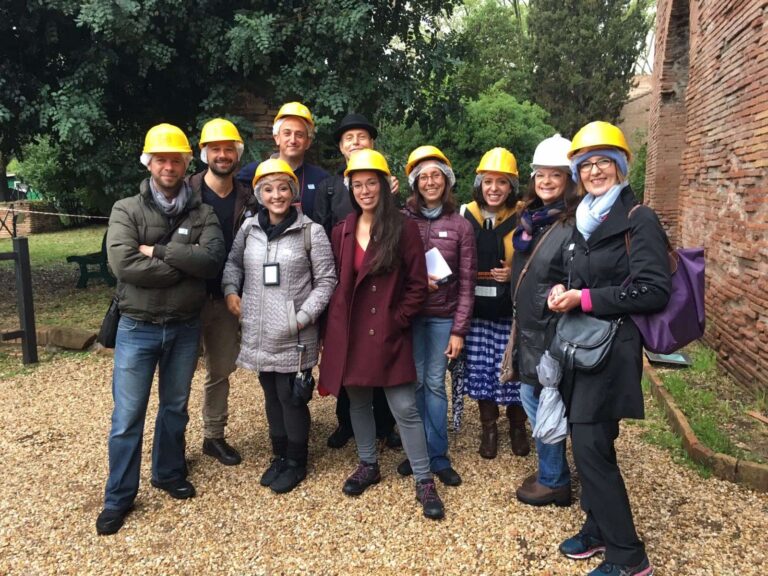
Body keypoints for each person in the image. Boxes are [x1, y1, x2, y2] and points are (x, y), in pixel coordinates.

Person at [549, 121, 669, 576]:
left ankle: (628, 556)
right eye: (586, 164)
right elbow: (584, 276)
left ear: (620, 167)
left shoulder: (639, 219)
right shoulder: (585, 218)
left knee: (591, 446)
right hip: (582, 348)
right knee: (594, 445)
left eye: (604, 162)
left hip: (613, 350)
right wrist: (565, 289)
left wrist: (584, 299)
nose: (595, 170)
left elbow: (652, 290)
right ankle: (598, 529)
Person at [96, 124, 225, 535]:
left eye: (176, 159)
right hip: (138, 327)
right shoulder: (125, 209)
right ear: (148, 163)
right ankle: (119, 497)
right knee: (127, 417)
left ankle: (168, 473)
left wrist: (162, 252)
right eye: (161, 159)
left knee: (174, 408)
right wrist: (180, 269)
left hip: (185, 329)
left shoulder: (202, 212)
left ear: (188, 162)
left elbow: (211, 263)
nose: (169, 166)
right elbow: (123, 265)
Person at [319, 149, 445, 520]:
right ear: (350, 189)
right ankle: (367, 464)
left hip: (388, 331)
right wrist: (332, 332)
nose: (364, 190)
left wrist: (397, 319)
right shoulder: (341, 230)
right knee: (358, 402)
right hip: (352, 332)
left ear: (383, 185)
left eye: (370, 183)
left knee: (405, 407)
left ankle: (424, 479)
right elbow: (337, 283)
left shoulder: (403, 228)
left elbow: (418, 286)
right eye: (357, 185)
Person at [222, 159, 336, 494]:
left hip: (294, 330)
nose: (276, 195)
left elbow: (327, 280)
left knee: (291, 397)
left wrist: (304, 316)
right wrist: (231, 291)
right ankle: (280, 455)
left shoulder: (310, 231)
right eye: (269, 189)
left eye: (283, 188)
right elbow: (232, 263)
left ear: (293, 192)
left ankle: (297, 461)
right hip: (259, 327)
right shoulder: (249, 229)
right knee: (270, 392)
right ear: (259, 193)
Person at [314, 112, 400, 450]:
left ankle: (384, 424)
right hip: (343, 282)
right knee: (347, 359)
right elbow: (320, 232)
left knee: (380, 357)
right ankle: (345, 422)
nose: (355, 143)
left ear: (372, 143)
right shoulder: (329, 186)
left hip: (379, 284)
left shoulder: (386, 183)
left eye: (361, 137)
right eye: (348, 139)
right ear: (340, 147)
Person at [399, 145, 476, 486]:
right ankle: (416, 452)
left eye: (436, 176)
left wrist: (459, 330)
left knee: (434, 384)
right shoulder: (403, 220)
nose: (430, 182)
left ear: (447, 181)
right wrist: (413, 285)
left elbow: (468, 281)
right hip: (411, 315)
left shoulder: (460, 225)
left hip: (443, 317)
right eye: (424, 177)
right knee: (413, 383)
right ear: (416, 183)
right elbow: (391, 270)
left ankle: (438, 455)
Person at [509, 134, 577, 507]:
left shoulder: (571, 223)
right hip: (531, 328)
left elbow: (574, 276)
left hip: (550, 331)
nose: (546, 181)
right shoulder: (533, 221)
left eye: (555, 175)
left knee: (541, 400)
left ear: (569, 179)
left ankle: (554, 480)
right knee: (533, 395)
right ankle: (552, 469)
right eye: (540, 175)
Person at [190, 118, 260, 466]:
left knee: (220, 371)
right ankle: (171, 444)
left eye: (228, 149)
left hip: (226, 299)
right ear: (204, 153)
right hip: (185, 299)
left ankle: (213, 436)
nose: (222, 154)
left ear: (237, 153)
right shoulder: (185, 191)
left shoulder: (249, 197)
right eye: (215, 148)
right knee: (178, 374)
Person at [460, 148, 530, 459]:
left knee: (513, 365)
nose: (494, 189)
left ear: (512, 187)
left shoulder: (525, 216)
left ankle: (517, 425)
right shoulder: (465, 214)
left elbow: (535, 259)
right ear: (479, 183)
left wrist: (513, 274)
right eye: (488, 181)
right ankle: (489, 426)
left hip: (509, 307)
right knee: (481, 366)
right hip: (475, 309)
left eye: (502, 182)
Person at [236, 102, 328, 220]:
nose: (293, 140)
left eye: (299, 135)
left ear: (308, 142)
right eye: (287, 133)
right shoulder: (252, 173)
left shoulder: (320, 178)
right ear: (277, 138)